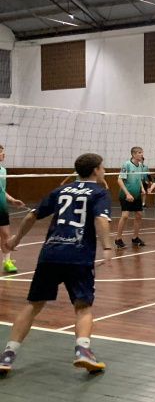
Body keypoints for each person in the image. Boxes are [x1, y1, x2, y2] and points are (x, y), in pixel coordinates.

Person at [0, 152, 112, 374]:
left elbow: (32, 216)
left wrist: (15, 238)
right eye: (103, 167)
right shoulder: (100, 192)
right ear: (95, 170)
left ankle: (8, 355)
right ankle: (83, 351)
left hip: (50, 254)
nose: (105, 171)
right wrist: (108, 247)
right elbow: (100, 219)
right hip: (78, 256)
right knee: (83, 306)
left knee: (33, 304)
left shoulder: (60, 191)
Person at [0, 145, 28, 273]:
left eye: (3, 152)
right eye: (0, 153)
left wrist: (12, 200)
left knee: (5, 234)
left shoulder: (3, 170)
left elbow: (2, 190)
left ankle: (7, 261)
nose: (3, 155)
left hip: (1, 207)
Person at [114, 146, 147, 249]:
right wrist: (127, 194)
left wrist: (142, 188)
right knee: (125, 216)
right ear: (133, 154)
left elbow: (139, 179)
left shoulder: (141, 165)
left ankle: (135, 238)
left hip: (136, 195)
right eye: (139, 152)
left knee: (139, 215)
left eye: (142, 152)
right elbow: (119, 180)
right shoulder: (127, 164)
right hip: (126, 195)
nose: (141, 154)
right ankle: (118, 239)